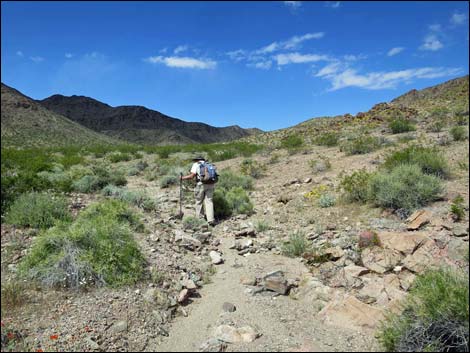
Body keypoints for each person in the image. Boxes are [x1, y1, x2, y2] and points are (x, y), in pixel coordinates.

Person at [180, 156, 215, 225]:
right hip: (211, 184)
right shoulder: (208, 164)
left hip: (201, 184)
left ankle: (200, 219)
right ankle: (210, 220)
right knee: (209, 202)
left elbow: (192, 176)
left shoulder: (196, 164)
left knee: (199, 201)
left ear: (197, 160)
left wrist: (182, 178)